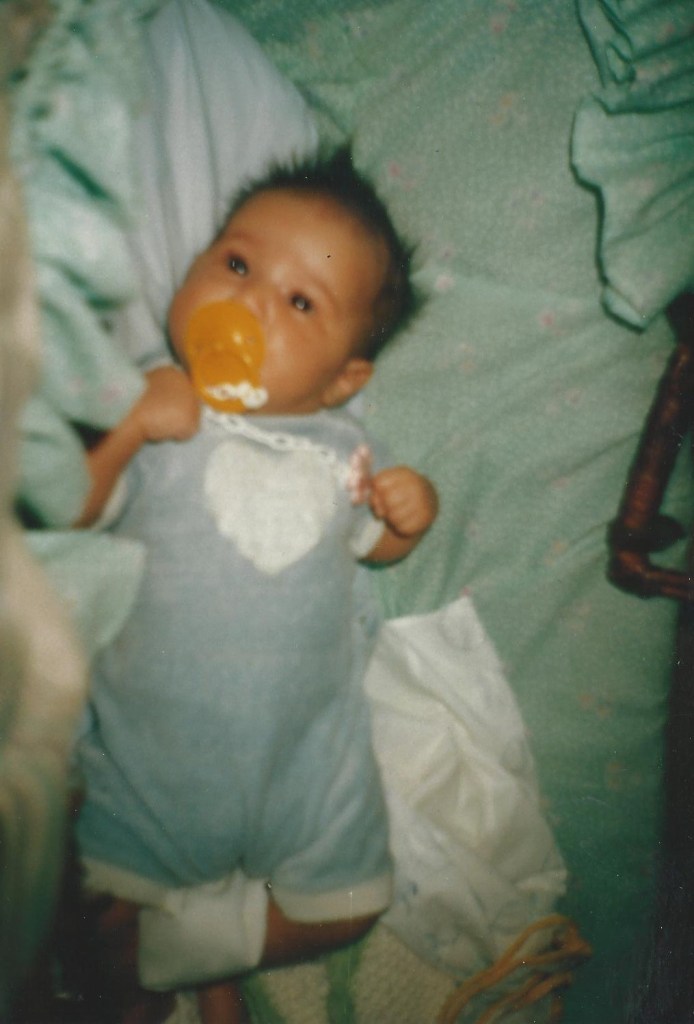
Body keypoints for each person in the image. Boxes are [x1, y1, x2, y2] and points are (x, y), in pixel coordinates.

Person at [73, 148, 438, 1024]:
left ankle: (201, 944)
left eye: (300, 302)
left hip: (305, 767)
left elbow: (375, 549)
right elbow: (69, 512)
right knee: (78, 907)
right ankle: (178, 966)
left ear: (343, 378)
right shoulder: (155, 405)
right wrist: (127, 429)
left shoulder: (347, 450)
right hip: (144, 765)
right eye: (237, 264)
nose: (249, 301)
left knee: (352, 904)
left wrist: (408, 516)